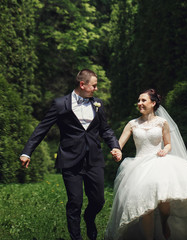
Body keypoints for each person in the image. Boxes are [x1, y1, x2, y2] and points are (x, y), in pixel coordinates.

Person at [105, 89, 187, 240]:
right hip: (139, 167)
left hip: (158, 162)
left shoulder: (162, 122)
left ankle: (164, 221)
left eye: (143, 100)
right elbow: (119, 144)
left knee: (164, 203)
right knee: (145, 208)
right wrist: (117, 152)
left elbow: (168, 144)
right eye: (139, 100)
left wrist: (165, 150)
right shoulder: (132, 124)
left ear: (153, 103)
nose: (140, 103)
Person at [19, 69, 122, 240]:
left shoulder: (98, 104)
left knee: (98, 201)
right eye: (94, 86)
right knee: (75, 202)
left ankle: (89, 219)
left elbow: (106, 129)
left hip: (94, 160)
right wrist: (27, 152)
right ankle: (76, 238)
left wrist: (115, 146)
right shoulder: (61, 104)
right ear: (83, 85)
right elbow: (42, 128)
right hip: (70, 160)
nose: (96, 89)